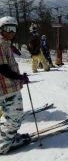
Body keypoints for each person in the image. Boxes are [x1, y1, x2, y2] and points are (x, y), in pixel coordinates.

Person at [0, 16, 30, 154]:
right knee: (15, 118)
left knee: (9, 116)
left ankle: (7, 136)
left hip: (8, 88)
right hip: (6, 89)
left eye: (14, 29)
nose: (11, 32)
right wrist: (19, 77)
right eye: (8, 28)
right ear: (1, 29)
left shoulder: (5, 43)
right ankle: (3, 145)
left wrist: (20, 78)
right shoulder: (0, 44)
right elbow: (2, 69)